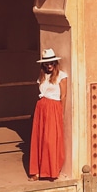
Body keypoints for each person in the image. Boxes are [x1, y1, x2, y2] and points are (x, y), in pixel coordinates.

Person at [29, 48, 67, 180]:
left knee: (50, 139)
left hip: (53, 107)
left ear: (55, 63)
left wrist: (61, 112)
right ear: (43, 65)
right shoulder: (42, 77)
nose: (49, 65)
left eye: (51, 63)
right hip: (41, 106)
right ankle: (37, 171)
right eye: (46, 63)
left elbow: (63, 95)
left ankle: (51, 170)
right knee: (39, 138)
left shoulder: (61, 76)